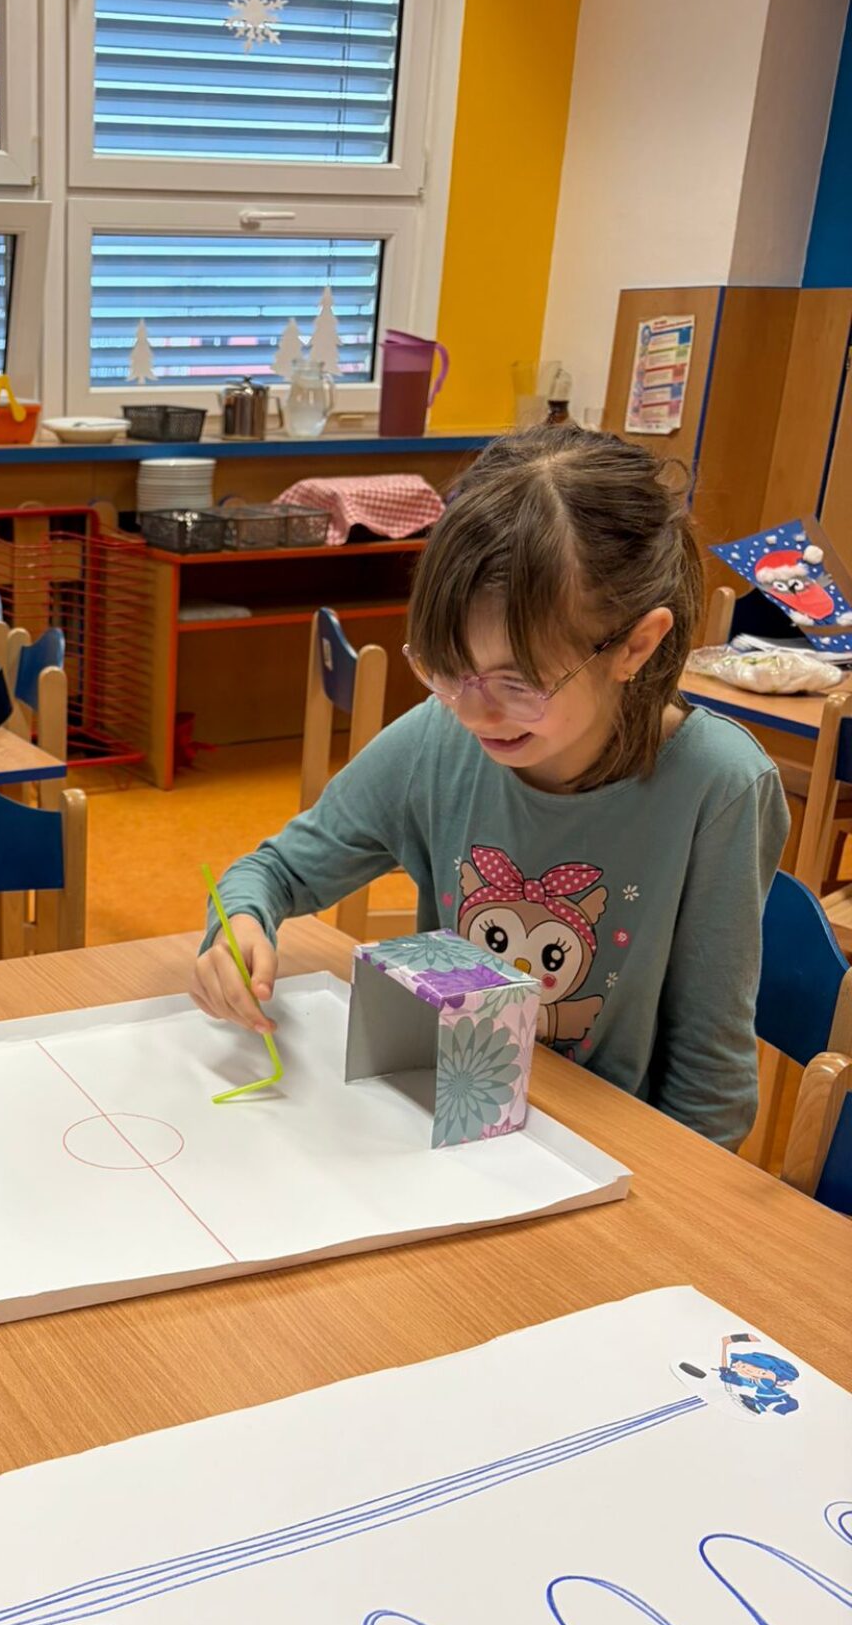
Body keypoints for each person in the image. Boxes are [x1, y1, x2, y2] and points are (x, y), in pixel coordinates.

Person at [192, 426, 789, 1147]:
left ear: (636, 644)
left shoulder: (718, 786)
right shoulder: (437, 741)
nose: (475, 713)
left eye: (518, 682)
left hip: (599, 1153)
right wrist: (238, 927)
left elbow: (711, 1089)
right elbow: (274, 872)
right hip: (442, 1124)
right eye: (447, 669)